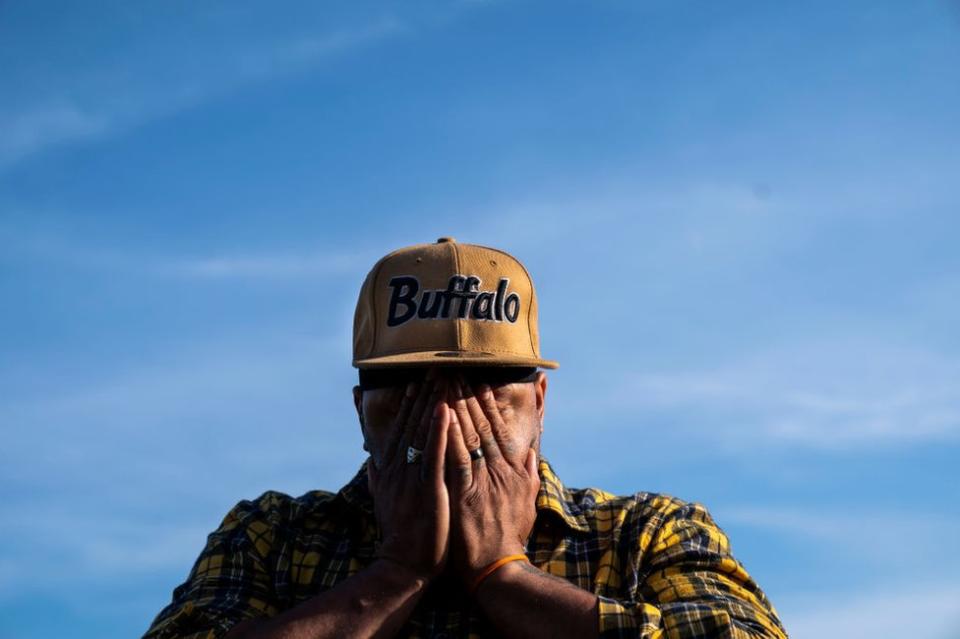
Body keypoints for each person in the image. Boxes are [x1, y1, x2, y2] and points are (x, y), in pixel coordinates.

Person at [144, 237, 788, 639]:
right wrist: (396, 573)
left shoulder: (646, 533)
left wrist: (504, 574)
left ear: (538, 402)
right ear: (361, 410)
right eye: (414, 390)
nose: (450, 416)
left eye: (483, 385)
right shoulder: (272, 535)